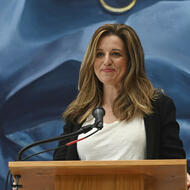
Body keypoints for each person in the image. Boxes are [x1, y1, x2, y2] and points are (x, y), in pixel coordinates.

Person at [53, 24, 190, 188]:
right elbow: (57, 171)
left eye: (115, 54)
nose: (106, 61)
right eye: (99, 54)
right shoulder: (78, 113)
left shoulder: (157, 106)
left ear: (132, 60)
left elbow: (173, 165)